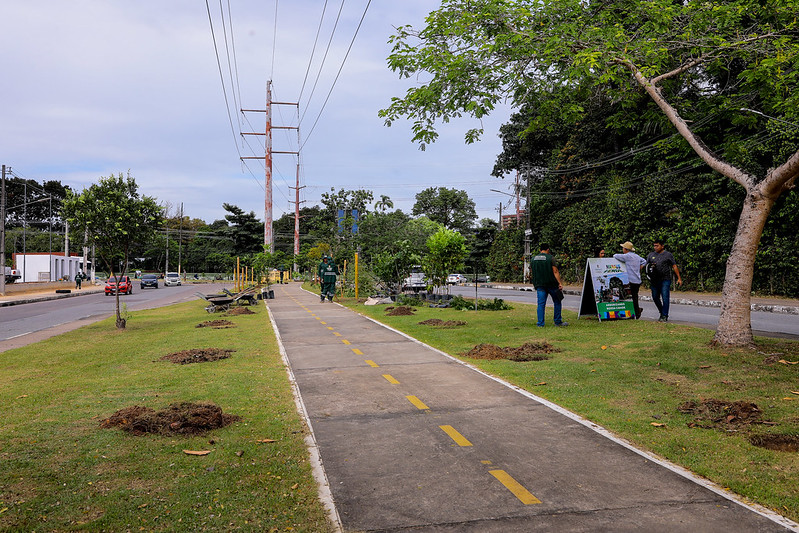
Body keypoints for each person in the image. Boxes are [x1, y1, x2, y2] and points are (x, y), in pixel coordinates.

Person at [645, 240, 683, 322]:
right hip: (654, 280)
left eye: (657, 246)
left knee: (665, 297)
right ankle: (661, 311)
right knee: (655, 297)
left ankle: (664, 315)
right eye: (654, 246)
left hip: (665, 279)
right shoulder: (651, 255)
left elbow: (674, 266)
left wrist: (679, 278)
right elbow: (646, 266)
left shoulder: (668, 255)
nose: (655, 247)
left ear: (662, 246)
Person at [531, 244, 568, 327]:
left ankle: (540, 323)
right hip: (552, 284)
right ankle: (558, 322)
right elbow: (555, 271)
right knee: (557, 301)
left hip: (539, 284)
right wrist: (559, 283)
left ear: (540, 250)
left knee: (541, 304)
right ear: (548, 250)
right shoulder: (550, 258)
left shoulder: (533, 259)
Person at [613, 241, 646, 319]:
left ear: (625, 249)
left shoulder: (627, 256)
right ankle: (636, 310)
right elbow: (644, 261)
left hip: (630, 280)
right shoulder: (637, 256)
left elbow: (615, 256)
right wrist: (640, 267)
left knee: (630, 297)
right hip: (637, 279)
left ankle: (636, 312)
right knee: (635, 296)